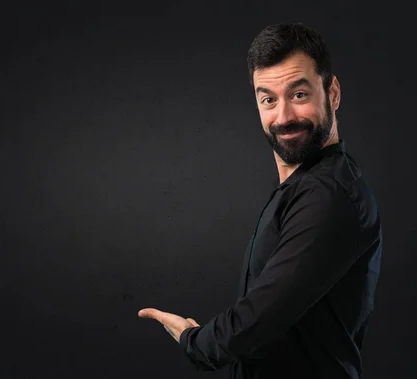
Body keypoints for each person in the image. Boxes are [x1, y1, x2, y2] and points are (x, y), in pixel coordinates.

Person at [138, 22, 383, 379]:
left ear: (332, 93)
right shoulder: (303, 187)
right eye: (269, 99)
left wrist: (194, 340)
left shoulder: (329, 195)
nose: (283, 117)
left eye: (299, 95)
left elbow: (258, 319)